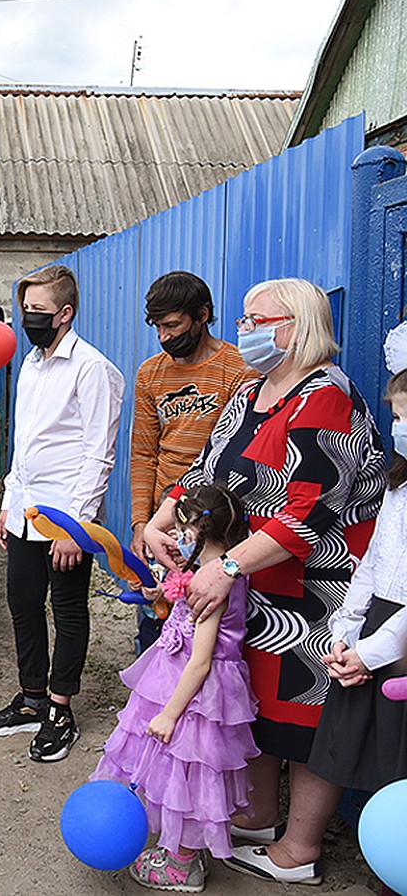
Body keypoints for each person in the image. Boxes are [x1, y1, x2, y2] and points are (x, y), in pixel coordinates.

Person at [144, 278, 384, 885]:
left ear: (297, 326)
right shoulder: (254, 388)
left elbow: (306, 510)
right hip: (255, 582)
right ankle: (255, 817)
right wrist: (160, 518)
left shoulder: (326, 394)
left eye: (257, 319)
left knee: (307, 713)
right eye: (244, 318)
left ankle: (297, 850)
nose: (244, 330)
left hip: (318, 587)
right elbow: (205, 471)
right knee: (257, 704)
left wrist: (224, 567)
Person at [0, 264, 125, 762]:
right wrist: (6, 504)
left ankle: (61, 708)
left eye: (38, 311)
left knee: (67, 609)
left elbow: (98, 454)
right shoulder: (33, 365)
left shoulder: (92, 369)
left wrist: (77, 527)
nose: (27, 318)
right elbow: (25, 445)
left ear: (65, 313)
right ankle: (32, 698)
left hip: (65, 517)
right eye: (25, 309)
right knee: (22, 602)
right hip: (25, 511)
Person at [92, 484, 258, 892]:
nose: (175, 535)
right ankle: (181, 848)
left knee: (186, 767)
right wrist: (160, 593)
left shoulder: (213, 582)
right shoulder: (209, 567)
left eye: (181, 528)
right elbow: (180, 603)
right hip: (175, 675)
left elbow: (202, 659)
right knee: (172, 764)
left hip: (195, 692)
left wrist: (169, 713)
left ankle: (183, 865)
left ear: (199, 531)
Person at [129, 272, 257, 653]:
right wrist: (141, 524)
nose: (165, 337)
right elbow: (144, 453)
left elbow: (235, 456)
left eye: (173, 325)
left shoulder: (239, 369)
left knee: (209, 636)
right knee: (157, 622)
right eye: (158, 328)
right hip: (162, 524)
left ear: (202, 315)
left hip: (216, 528)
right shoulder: (150, 373)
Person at [308, 325, 407, 802]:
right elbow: (371, 562)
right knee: (378, 761)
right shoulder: (398, 485)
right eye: (396, 416)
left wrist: (372, 652)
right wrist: (346, 632)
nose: (399, 429)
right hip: (376, 630)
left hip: (397, 642)